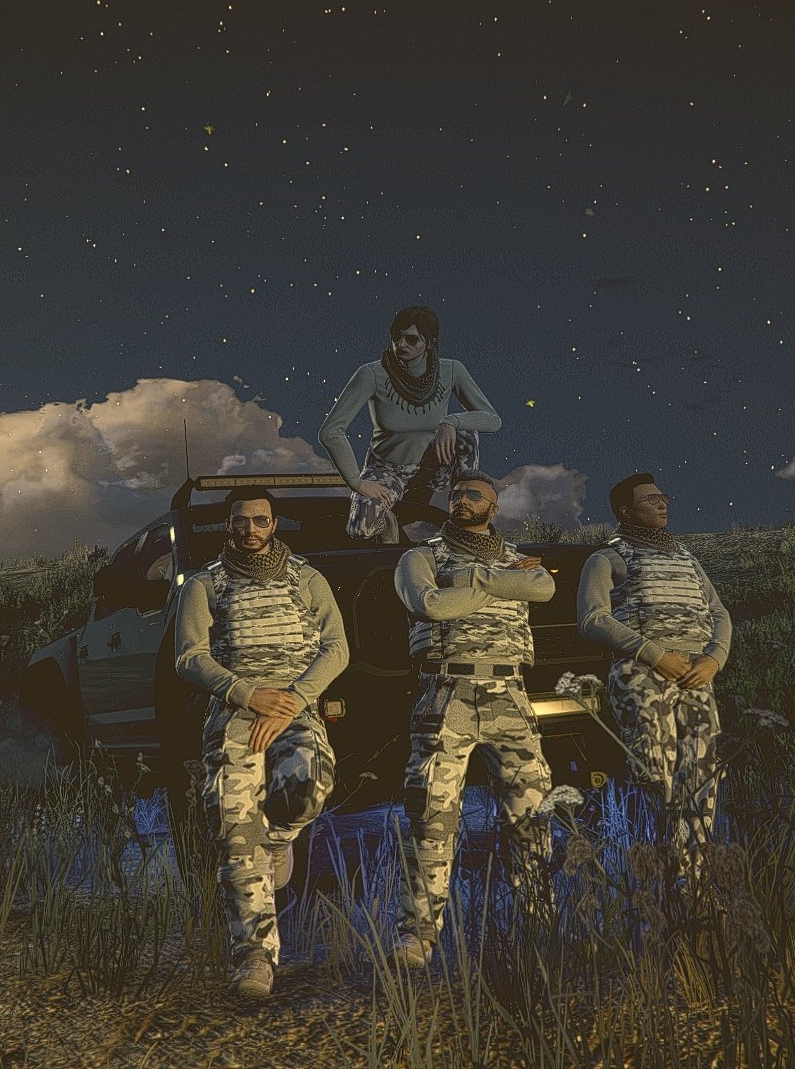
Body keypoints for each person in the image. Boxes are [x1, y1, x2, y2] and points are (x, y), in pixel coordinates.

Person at [173, 486, 348, 999]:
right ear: (228, 525)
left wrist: (294, 699)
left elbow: (337, 648)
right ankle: (254, 957)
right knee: (235, 826)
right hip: (236, 713)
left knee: (309, 785)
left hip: (295, 706)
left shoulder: (307, 579)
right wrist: (248, 695)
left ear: (274, 524)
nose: (250, 529)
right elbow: (190, 657)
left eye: (260, 520)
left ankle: (277, 841)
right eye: (241, 521)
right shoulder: (204, 585)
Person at [390, 469, 555, 967]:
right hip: (447, 693)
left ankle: (538, 927)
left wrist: (471, 580)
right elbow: (431, 605)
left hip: (510, 694)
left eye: (474, 495)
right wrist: (505, 583)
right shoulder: (421, 557)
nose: (462, 500)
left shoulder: (519, 561)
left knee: (530, 815)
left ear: (493, 507)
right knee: (431, 817)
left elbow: (544, 589)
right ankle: (417, 937)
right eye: (456, 494)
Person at [575, 473, 732, 877]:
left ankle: (693, 883)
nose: (662, 504)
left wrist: (714, 659)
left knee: (703, 778)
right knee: (657, 779)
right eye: (650, 499)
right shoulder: (607, 558)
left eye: (663, 496)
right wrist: (654, 654)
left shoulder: (687, 559)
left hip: (696, 676)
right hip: (641, 676)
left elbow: (718, 612)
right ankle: (662, 879)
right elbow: (592, 619)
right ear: (625, 511)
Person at [318, 305, 503, 541]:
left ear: (430, 341)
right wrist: (356, 482)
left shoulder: (452, 370)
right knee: (361, 529)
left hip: (433, 467)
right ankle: (389, 524)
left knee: (465, 432)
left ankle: (464, 510)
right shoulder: (371, 374)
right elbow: (330, 431)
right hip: (388, 468)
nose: (401, 344)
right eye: (396, 337)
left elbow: (493, 420)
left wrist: (450, 421)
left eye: (411, 339)